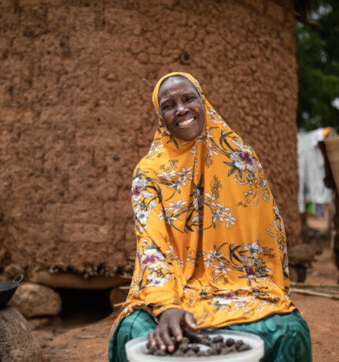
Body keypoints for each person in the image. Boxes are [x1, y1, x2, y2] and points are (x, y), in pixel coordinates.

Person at [109, 72, 312, 361]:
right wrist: (166, 306)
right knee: (133, 330)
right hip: (174, 289)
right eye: (168, 105)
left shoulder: (240, 160)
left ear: (203, 101)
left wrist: (251, 284)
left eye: (189, 98)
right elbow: (152, 248)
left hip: (242, 287)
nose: (180, 109)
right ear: (160, 117)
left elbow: (266, 240)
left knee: (289, 329)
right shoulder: (149, 173)